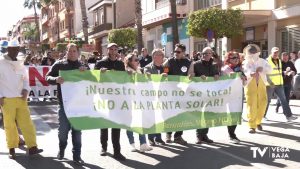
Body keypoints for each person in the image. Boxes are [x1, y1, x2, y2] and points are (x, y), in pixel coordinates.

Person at [0, 40, 43, 159]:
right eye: (12, 49)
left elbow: (25, 79)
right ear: (8, 49)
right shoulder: (1, 62)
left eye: (16, 49)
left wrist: (25, 89)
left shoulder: (20, 63)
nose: (14, 51)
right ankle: (12, 148)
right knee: (9, 125)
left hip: (21, 98)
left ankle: (32, 147)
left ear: (19, 49)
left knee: (27, 123)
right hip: (7, 99)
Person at [46, 43, 87, 165]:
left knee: (77, 131)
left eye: (74, 51)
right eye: (70, 51)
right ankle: (62, 148)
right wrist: (55, 79)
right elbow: (47, 77)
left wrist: (86, 72)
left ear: (78, 53)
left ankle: (77, 155)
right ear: (66, 52)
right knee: (63, 131)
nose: (72, 53)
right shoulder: (59, 64)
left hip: (79, 105)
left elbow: (92, 80)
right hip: (63, 104)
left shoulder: (83, 66)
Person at [94, 43, 126, 161]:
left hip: (117, 98)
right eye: (111, 49)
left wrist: (129, 74)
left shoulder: (120, 64)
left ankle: (117, 151)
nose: (113, 51)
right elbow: (93, 78)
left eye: (115, 49)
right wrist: (99, 73)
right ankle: (104, 147)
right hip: (104, 97)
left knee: (116, 125)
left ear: (117, 51)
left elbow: (123, 79)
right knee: (104, 124)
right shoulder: (100, 63)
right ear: (107, 50)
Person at [188, 47, 219, 144]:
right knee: (199, 115)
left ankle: (205, 135)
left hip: (210, 94)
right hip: (199, 94)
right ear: (201, 54)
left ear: (211, 55)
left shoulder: (214, 65)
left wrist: (217, 75)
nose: (206, 55)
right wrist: (198, 77)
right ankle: (199, 136)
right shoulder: (196, 64)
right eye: (204, 53)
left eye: (208, 53)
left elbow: (217, 75)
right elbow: (190, 77)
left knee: (208, 115)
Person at [124, 53, 153, 152]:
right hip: (129, 100)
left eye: (137, 59)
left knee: (141, 120)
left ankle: (143, 143)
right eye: (135, 60)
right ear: (129, 62)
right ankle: (132, 144)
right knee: (130, 122)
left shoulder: (139, 70)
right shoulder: (126, 71)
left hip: (139, 99)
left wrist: (147, 76)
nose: (138, 61)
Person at [163, 44, 190, 145]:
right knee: (170, 114)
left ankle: (178, 136)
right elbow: (165, 68)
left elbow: (191, 73)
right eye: (175, 51)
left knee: (181, 115)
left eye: (178, 52)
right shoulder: (170, 61)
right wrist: (165, 73)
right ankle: (168, 134)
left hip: (182, 92)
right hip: (171, 92)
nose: (176, 53)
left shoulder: (188, 62)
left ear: (183, 52)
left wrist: (191, 75)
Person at [242, 44, 272, 133]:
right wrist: (250, 73)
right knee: (252, 104)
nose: (252, 53)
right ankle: (252, 126)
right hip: (250, 84)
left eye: (254, 51)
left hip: (261, 83)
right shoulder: (245, 62)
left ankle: (258, 121)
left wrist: (262, 69)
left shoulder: (263, 61)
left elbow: (270, 69)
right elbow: (245, 70)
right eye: (250, 51)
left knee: (263, 102)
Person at [264, 47, 298, 122]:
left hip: (279, 84)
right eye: (274, 52)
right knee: (267, 101)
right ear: (271, 52)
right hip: (270, 85)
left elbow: (278, 72)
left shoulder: (279, 61)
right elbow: (264, 74)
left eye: (277, 52)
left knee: (284, 100)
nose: (276, 54)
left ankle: (289, 116)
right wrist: (270, 82)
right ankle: (262, 116)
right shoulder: (266, 61)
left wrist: (284, 72)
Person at [221, 51, 247, 144]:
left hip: (239, 95)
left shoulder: (239, 68)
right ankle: (231, 135)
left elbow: (244, 83)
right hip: (229, 95)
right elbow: (226, 79)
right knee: (231, 114)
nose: (236, 59)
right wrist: (234, 76)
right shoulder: (225, 69)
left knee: (237, 114)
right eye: (233, 58)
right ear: (229, 59)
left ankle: (232, 133)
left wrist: (244, 78)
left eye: (237, 57)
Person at [144, 49, 166, 146]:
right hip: (151, 96)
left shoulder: (165, 67)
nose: (162, 57)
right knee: (152, 117)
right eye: (160, 55)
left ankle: (158, 137)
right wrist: (158, 77)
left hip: (162, 96)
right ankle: (151, 138)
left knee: (160, 117)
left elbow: (169, 79)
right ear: (154, 57)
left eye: (162, 55)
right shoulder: (147, 67)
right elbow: (147, 77)